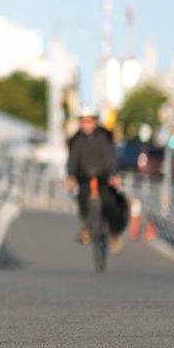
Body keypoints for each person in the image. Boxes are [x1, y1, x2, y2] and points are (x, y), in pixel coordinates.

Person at [64, 104, 124, 252]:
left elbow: (110, 157)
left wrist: (114, 174)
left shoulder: (103, 137)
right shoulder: (77, 139)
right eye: (83, 121)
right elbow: (73, 160)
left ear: (95, 121)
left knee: (110, 201)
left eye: (89, 121)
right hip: (84, 177)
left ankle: (115, 233)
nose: (86, 124)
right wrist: (71, 176)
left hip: (103, 177)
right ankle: (86, 228)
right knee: (82, 198)